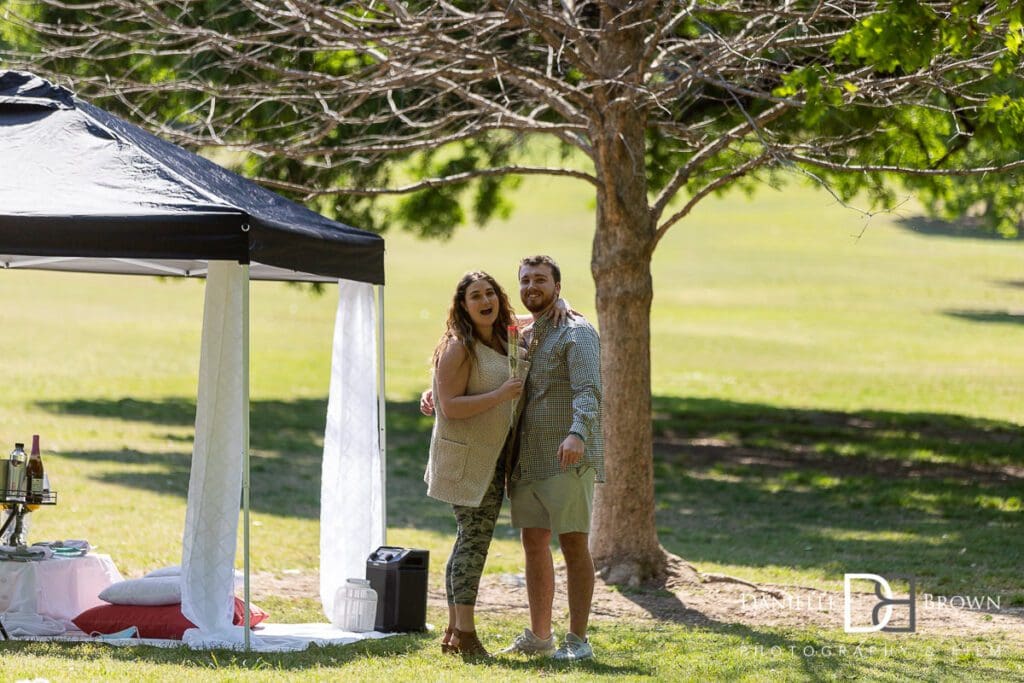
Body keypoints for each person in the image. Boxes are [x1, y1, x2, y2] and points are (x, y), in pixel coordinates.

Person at [422, 256, 603, 662]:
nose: (531, 286)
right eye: (525, 280)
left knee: (562, 544)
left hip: (538, 459)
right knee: (503, 543)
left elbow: (587, 387)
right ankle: (502, 634)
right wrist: (441, 392)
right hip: (494, 462)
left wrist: (577, 432)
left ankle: (570, 640)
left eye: (541, 280)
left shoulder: (546, 332)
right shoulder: (487, 338)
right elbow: (458, 387)